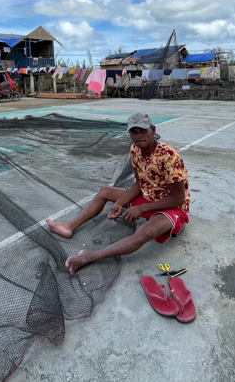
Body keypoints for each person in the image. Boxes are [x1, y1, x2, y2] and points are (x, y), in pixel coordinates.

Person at [47, 112, 190, 275]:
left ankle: (90, 256)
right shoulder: (135, 150)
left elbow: (178, 198)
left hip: (171, 205)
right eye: (133, 132)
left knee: (147, 231)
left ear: (153, 130)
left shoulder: (169, 156)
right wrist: (120, 202)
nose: (138, 136)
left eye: (143, 130)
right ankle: (69, 226)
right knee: (105, 192)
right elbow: (139, 184)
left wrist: (141, 209)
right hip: (148, 194)